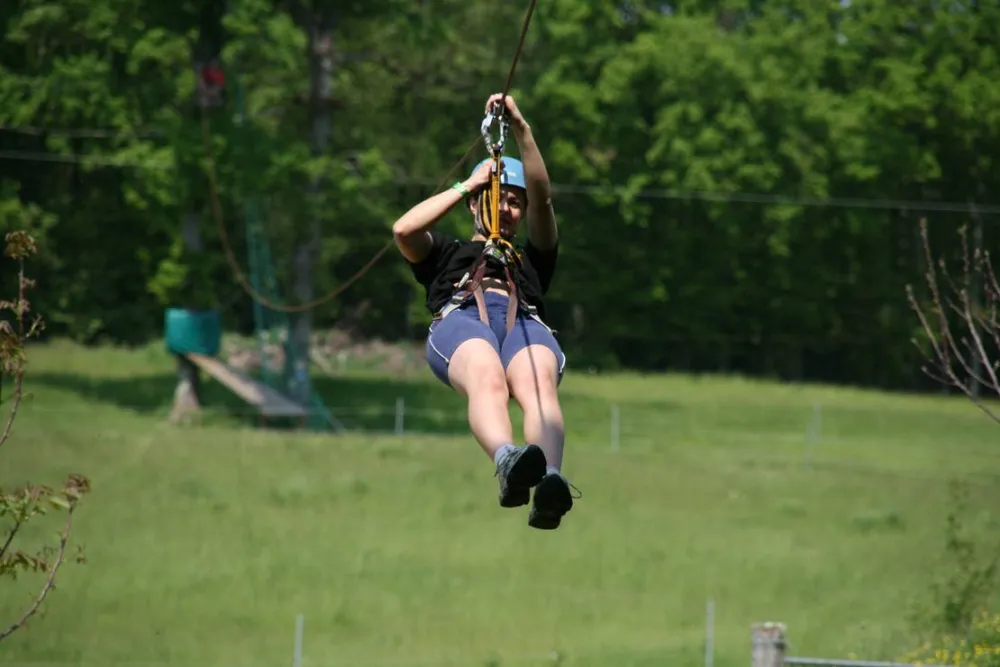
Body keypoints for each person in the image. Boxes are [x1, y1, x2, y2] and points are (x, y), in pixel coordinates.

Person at [391, 93, 579, 530]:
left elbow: (543, 199)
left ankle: (550, 481)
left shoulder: (533, 258)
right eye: (498, 198)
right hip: (463, 318)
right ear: (476, 204)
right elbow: (403, 230)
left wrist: (522, 130)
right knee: (487, 375)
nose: (507, 209)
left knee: (539, 386)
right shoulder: (446, 252)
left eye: (515, 202)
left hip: (523, 320)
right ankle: (507, 460)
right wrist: (469, 184)